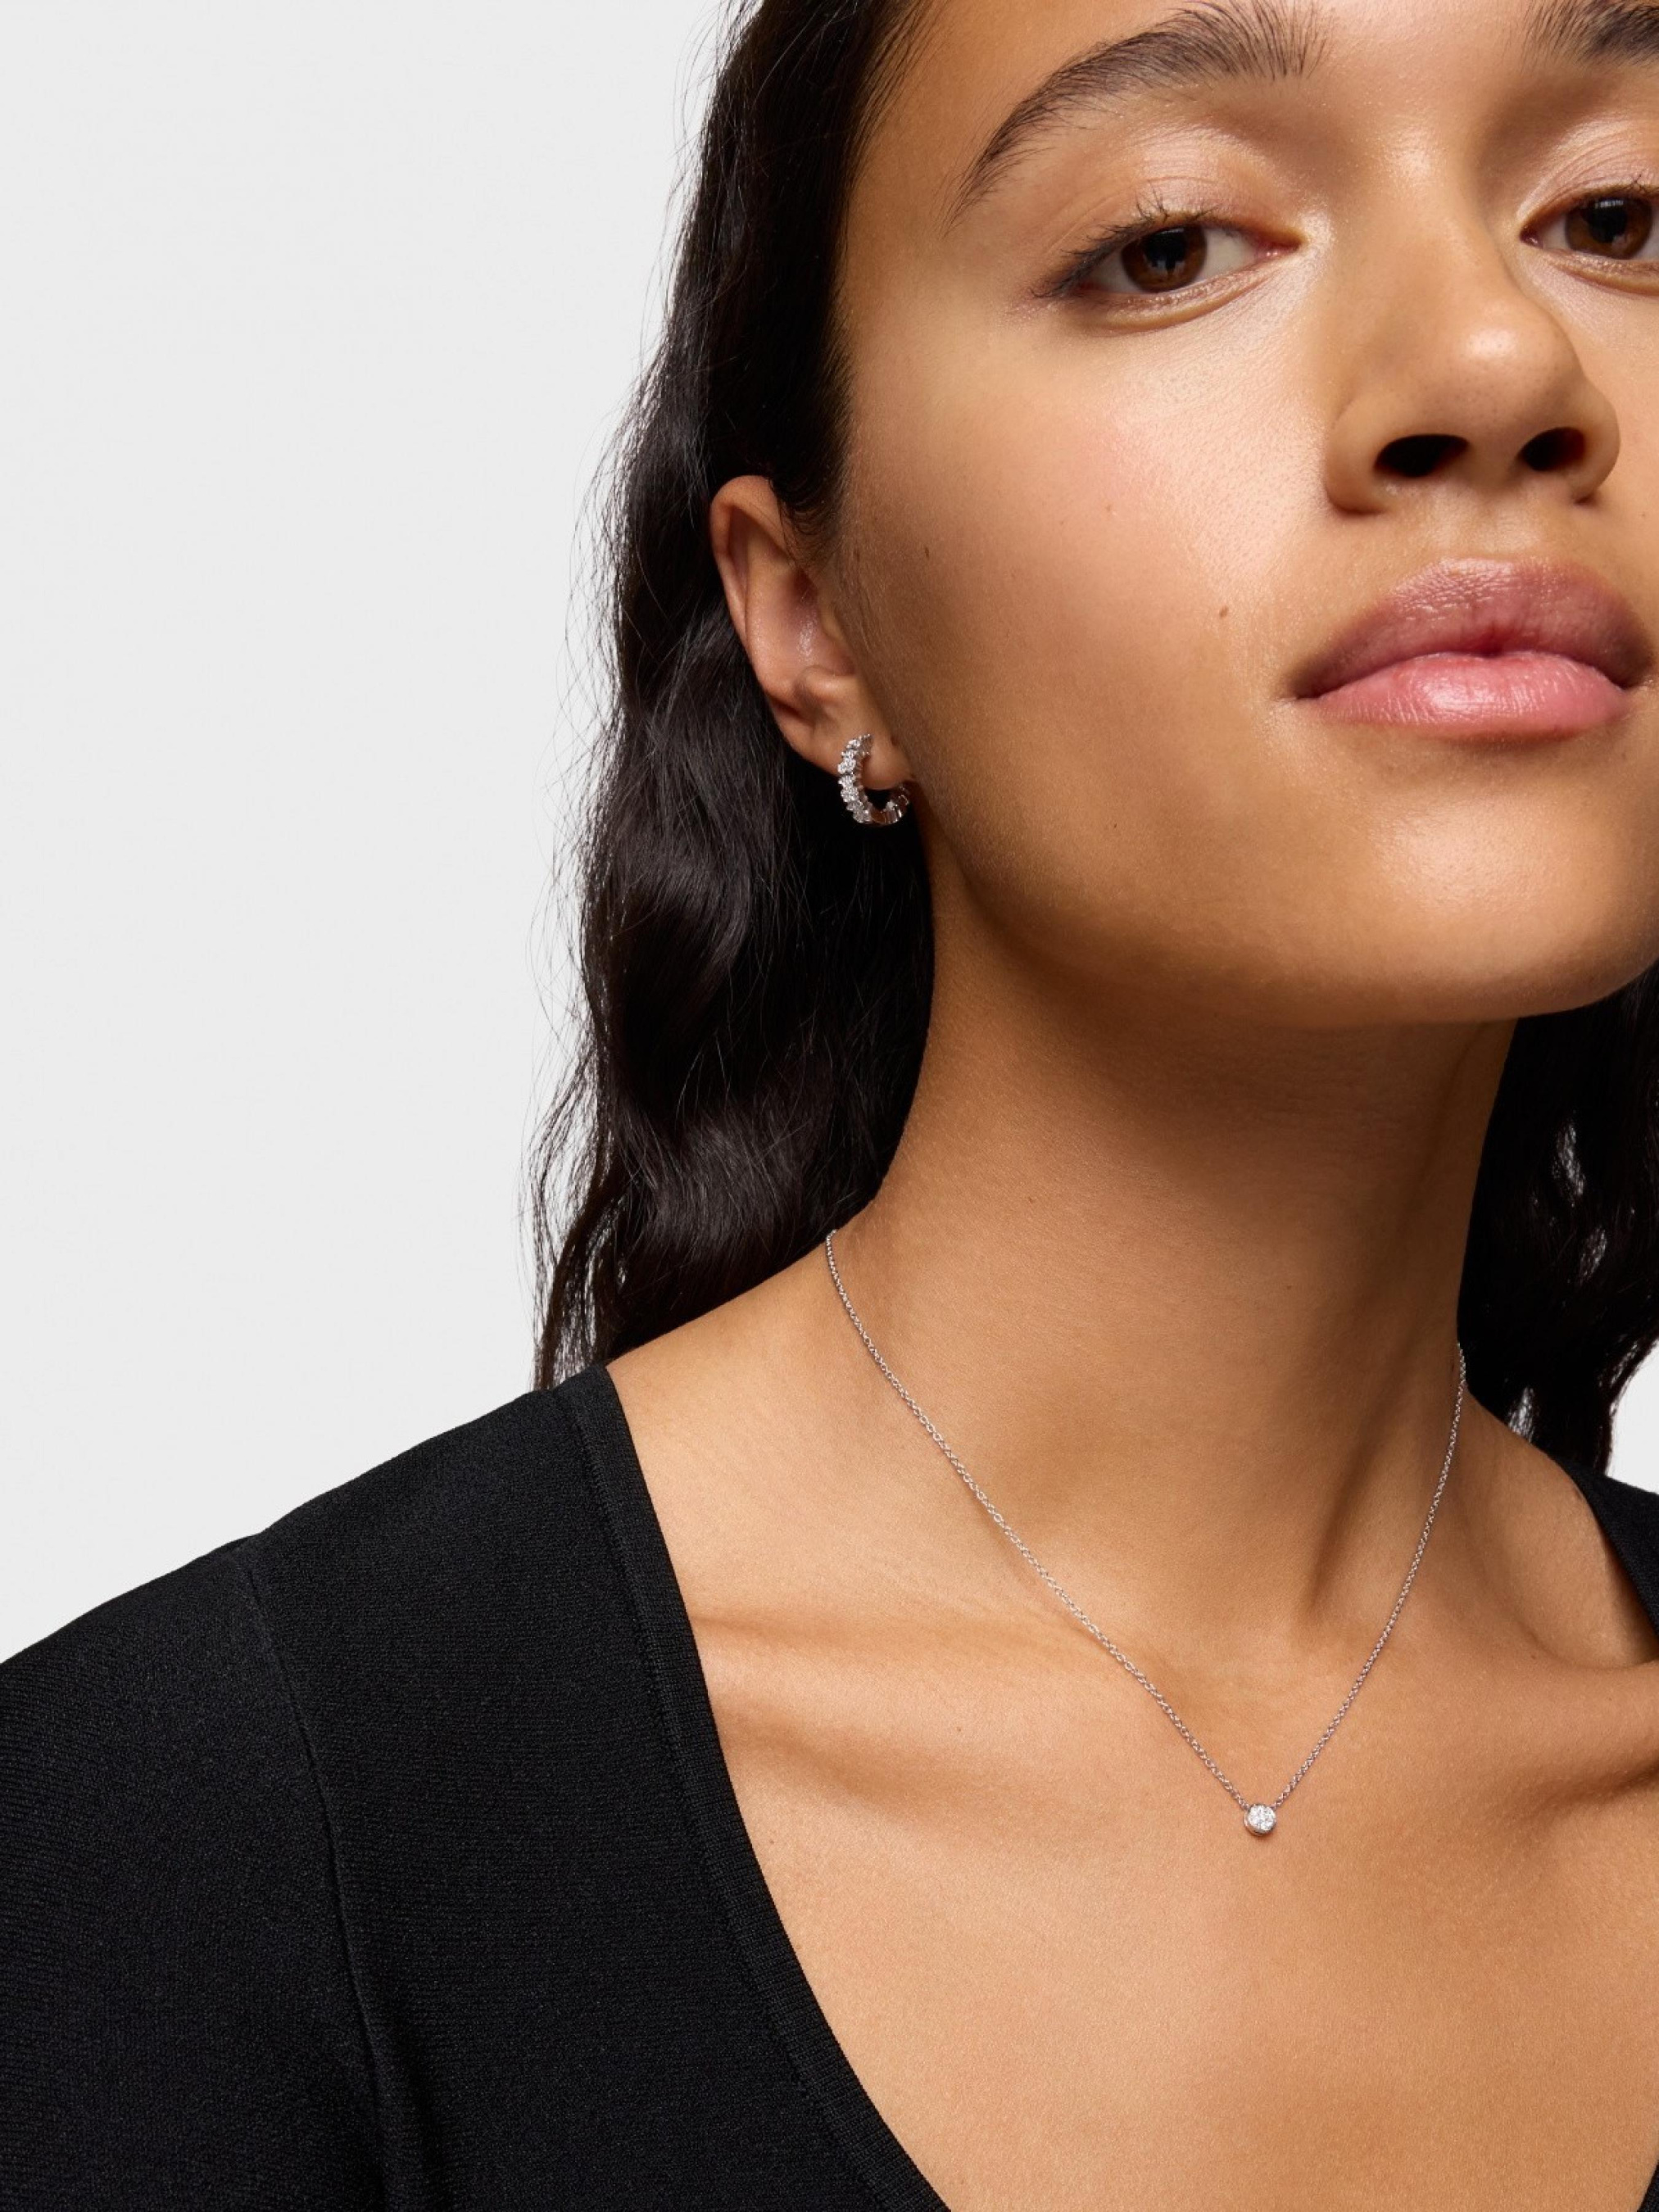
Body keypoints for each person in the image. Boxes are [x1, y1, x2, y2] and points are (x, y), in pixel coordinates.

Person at [8, 0, 1659, 2201]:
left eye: (1618, 215)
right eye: (1170, 243)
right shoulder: (188, 1853)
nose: (1499, 365)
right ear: (810, 620)